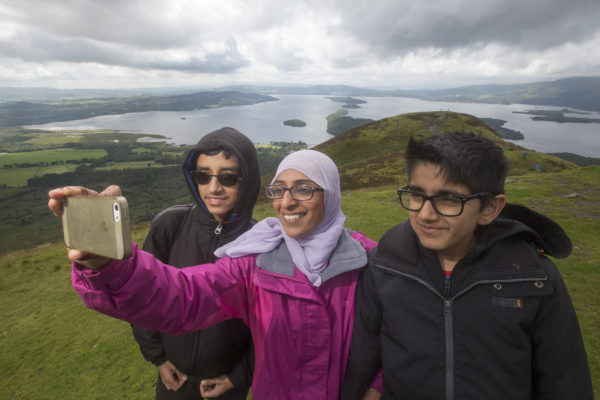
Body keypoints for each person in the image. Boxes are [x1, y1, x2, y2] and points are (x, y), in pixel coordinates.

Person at [48, 150, 382, 400]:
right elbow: (182, 295)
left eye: (305, 189)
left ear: (332, 194)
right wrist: (107, 264)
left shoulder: (369, 262)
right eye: (278, 190)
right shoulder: (254, 264)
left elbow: (403, 333)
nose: (287, 202)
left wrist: (377, 388)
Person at [342, 132, 594, 399]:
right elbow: (362, 357)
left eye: (449, 199)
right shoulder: (384, 266)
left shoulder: (532, 277)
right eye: (417, 195)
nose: (426, 214)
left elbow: (564, 378)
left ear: (489, 208)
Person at [131, 127, 258, 399]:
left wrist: (239, 376)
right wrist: (159, 359)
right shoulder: (170, 226)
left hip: (227, 386)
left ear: (246, 181)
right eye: (203, 175)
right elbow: (142, 298)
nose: (213, 188)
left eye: (228, 177)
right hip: (172, 380)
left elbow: (272, 324)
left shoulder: (261, 244)